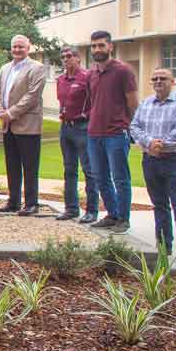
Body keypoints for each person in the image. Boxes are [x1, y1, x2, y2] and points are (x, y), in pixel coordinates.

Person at [130, 68, 176, 264]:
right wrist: (150, 143)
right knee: (159, 204)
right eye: (154, 78)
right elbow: (134, 126)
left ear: (172, 81)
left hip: (174, 159)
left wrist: (162, 144)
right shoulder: (145, 103)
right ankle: (164, 245)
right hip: (150, 160)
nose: (158, 81)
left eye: (163, 78)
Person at [87, 30, 139, 234]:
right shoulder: (91, 73)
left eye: (101, 45)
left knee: (120, 177)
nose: (97, 49)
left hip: (116, 133)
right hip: (94, 133)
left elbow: (133, 103)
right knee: (100, 177)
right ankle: (112, 214)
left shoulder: (123, 71)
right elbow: (93, 101)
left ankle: (123, 218)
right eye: (94, 46)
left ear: (111, 46)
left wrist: (131, 129)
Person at [0, 35, 47, 217]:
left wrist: (10, 113)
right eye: (14, 47)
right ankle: (13, 201)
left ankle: (32, 203)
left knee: (30, 166)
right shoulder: (5, 68)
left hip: (28, 125)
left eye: (20, 47)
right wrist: (1, 112)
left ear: (28, 48)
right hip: (8, 125)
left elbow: (32, 96)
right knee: (12, 165)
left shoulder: (37, 68)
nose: (17, 50)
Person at [55, 46, 99, 222]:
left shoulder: (87, 77)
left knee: (89, 170)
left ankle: (92, 210)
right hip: (66, 128)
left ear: (78, 58)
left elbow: (95, 102)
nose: (66, 59)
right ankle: (71, 208)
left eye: (69, 56)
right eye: (63, 57)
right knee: (69, 169)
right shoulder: (60, 79)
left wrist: (86, 117)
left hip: (83, 128)